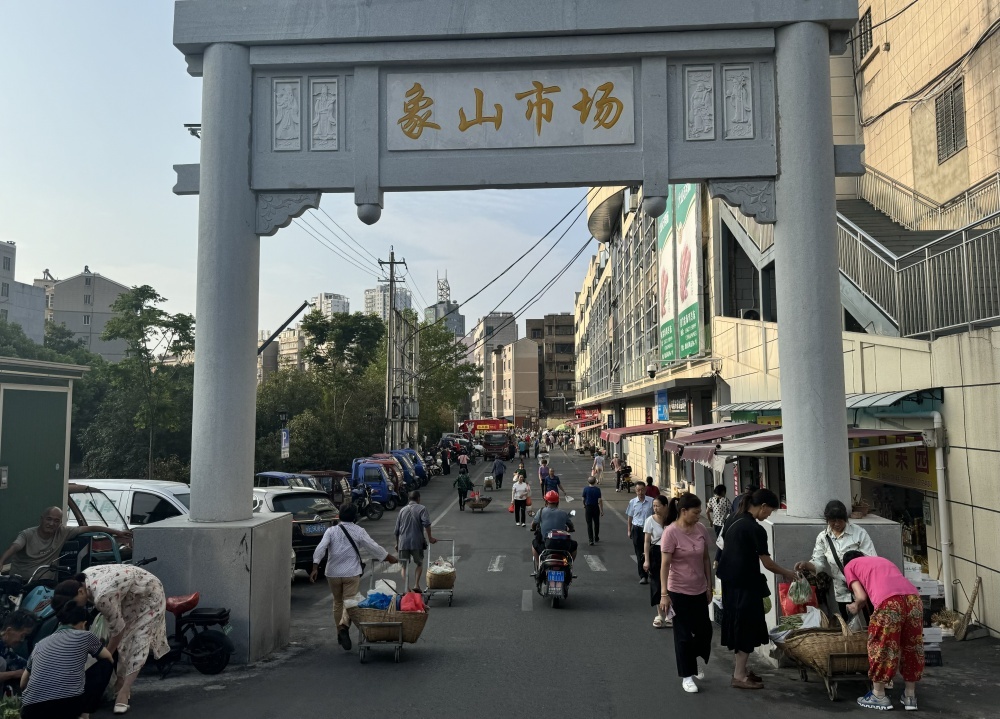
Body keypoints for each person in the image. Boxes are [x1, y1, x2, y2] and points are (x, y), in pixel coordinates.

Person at [52, 563, 171, 713]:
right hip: (128, 596)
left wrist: (105, 656)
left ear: (81, 591)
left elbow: (118, 632)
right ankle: (120, 682)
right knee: (124, 641)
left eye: (73, 604)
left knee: (139, 639)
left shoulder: (101, 597)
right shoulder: (84, 580)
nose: (74, 609)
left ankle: (124, 692)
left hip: (149, 593)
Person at [716, 488, 797, 690]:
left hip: (729, 584)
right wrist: (788, 573)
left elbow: (721, 546)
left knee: (738, 627)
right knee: (746, 628)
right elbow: (767, 563)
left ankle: (742, 671)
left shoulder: (732, 518)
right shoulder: (755, 529)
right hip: (746, 585)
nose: (768, 515)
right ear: (763, 506)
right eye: (769, 511)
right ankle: (739, 676)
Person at [310, 502, 398, 651]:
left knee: (338, 602)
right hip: (351, 573)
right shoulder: (359, 531)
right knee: (350, 602)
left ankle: (339, 631)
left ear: (339, 515)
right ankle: (344, 626)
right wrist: (389, 557)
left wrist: (314, 567)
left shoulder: (331, 531)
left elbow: (321, 547)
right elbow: (373, 546)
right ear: (355, 516)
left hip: (332, 573)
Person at [842, 551, 923, 711]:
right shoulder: (882, 560)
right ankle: (910, 697)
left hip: (889, 603)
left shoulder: (850, 565)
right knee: (912, 647)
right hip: (914, 599)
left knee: (882, 645)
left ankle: (878, 695)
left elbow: (861, 597)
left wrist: (854, 606)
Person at [18, 599, 114, 719]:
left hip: (30, 710)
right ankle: (83, 712)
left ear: (60, 623)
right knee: (105, 664)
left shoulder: (40, 645)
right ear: (83, 624)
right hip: (66, 707)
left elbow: (23, 683)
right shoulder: (85, 636)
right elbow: (108, 657)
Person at [659, 493, 714, 693]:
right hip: (678, 590)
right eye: (696, 513)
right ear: (683, 511)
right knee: (682, 635)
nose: (699, 516)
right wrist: (664, 594)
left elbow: (706, 559)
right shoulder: (670, 532)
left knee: (705, 631)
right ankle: (687, 676)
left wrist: (709, 586)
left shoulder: (700, 529)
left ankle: (692, 658)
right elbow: (665, 565)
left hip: (699, 589)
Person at [0, 507, 132, 583]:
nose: (51, 524)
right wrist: (1, 561)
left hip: (45, 584)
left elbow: (90, 528)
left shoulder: (63, 532)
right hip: (20, 580)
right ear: (42, 519)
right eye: (49, 519)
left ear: (60, 523)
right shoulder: (27, 534)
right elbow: (15, 546)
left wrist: (117, 532)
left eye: (56, 521)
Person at [794, 499, 876, 620]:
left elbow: (872, 559)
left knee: (872, 620)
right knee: (848, 622)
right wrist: (806, 565)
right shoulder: (823, 538)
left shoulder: (859, 533)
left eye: (840, 520)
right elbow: (818, 563)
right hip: (842, 590)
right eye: (833, 520)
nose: (837, 524)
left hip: (863, 586)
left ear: (846, 518)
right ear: (827, 520)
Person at [394, 491, 437, 593]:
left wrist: (397, 543)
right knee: (419, 563)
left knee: (404, 566)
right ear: (418, 498)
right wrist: (430, 537)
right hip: (416, 541)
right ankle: (416, 584)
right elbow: (426, 523)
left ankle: (407, 588)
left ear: (409, 499)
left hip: (403, 542)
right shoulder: (422, 508)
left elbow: (396, 530)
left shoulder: (402, 510)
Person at [530, 491, 577, 571]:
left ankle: (539, 566)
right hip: (562, 545)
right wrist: (571, 529)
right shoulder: (563, 513)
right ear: (557, 502)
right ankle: (569, 566)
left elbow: (534, 524)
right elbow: (571, 525)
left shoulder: (541, 511)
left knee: (534, 545)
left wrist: (533, 528)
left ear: (546, 501)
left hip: (546, 545)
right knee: (574, 546)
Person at [643, 494, 670, 628]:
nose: (655, 508)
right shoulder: (650, 520)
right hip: (656, 553)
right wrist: (646, 560)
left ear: (665, 506)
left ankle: (670, 614)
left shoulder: (672, 520)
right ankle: (659, 614)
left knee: (671, 582)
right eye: (653, 506)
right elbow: (647, 541)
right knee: (656, 583)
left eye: (658, 506)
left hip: (670, 553)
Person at [626, 481, 655, 584]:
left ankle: (652, 572)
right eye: (638, 490)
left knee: (651, 552)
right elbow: (630, 517)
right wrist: (629, 530)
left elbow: (656, 515)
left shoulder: (651, 501)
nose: (640, 492)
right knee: (639, 553)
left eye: (642, 490)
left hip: (649, 530)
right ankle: (643, 576)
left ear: (645, 490)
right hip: (637, 529)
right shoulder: (632, 502)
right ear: (635, 490)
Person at [0, 611, 34, 695]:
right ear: (9, 631)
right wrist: (14, 674)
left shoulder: (7, 650)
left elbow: (25, 665)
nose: (22, 640)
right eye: (22, 635)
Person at [582, 477, 604, 545]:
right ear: (595, 482)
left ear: (588, 482)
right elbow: (600, 500)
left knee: (589, 524)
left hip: (588, 507)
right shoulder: (597, 489)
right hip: (595, 507)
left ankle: (590, 539)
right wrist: (601, 510)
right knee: (596, 523)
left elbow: (583, 498)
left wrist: (584, 505)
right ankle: (596, 536)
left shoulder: (585, 489)